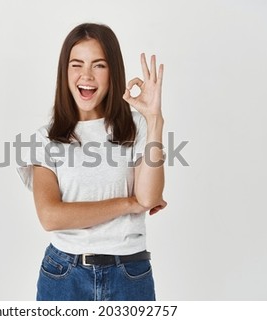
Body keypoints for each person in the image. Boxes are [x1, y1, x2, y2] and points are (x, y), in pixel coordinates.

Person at [17, 22, 167, 301]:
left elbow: (149, 197)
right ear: (65, 72)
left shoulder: (138, 128)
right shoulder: (45, 140)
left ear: (113, 73)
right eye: (77, 64)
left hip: (130, 273)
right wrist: (128, 203)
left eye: (98, 65)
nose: (86, 75)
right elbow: (50, 216)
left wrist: (154, 119)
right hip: (64, 275)